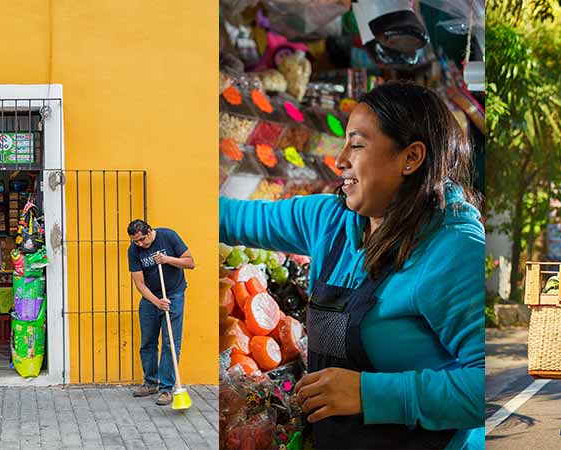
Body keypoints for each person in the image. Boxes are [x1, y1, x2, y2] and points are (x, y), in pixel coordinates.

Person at [220, 82, 485, 449]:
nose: (339, 159)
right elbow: (232, 218)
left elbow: (482, 386)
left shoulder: (454, 248)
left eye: (357, 145)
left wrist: (369, 394)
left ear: (411, 158)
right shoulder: (329, 220)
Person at [126, 219, 195, 405]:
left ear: (149, 231)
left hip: (174, 294)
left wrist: (166, 260)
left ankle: (166, 389)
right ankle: (150, 382)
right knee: (148, 341)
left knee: (170, 341)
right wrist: (157, 302)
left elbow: (190, 263)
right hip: (151, 298)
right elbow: (139, 283)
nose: (139, 244)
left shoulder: (168, 236)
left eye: (142, 240)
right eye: (136, 241)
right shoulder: (133, 250)